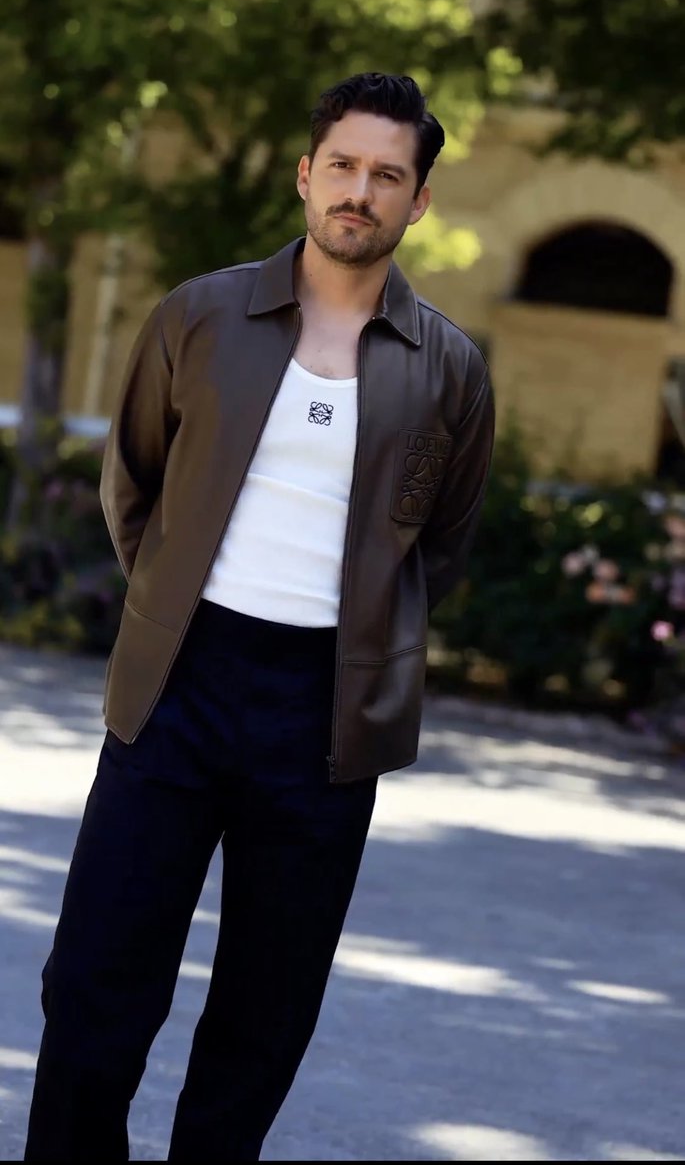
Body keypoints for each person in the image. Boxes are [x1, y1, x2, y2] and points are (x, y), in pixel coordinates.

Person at [23, 71, 495, 1162]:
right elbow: (132, 477)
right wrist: (165, 606)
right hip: (178, 685)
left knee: (266, 1009)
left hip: (326, 720)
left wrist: (371, 647)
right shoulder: (201, 313)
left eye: (388, 176)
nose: (359, 193)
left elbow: (447, 542)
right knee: (96, 980)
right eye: (343, 167)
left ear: (417, 201)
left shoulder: (451, 370)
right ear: (305, 173)